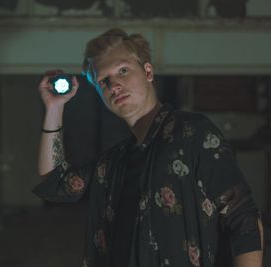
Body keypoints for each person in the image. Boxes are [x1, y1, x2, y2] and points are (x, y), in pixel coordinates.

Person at [33, 28, 263, 267]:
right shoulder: (114, 162)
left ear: (148, 72)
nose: (115, 85)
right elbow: (55, 181)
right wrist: (54, 108)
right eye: (103, 80)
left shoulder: (192, 133)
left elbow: (242, 217)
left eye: (123, 70)